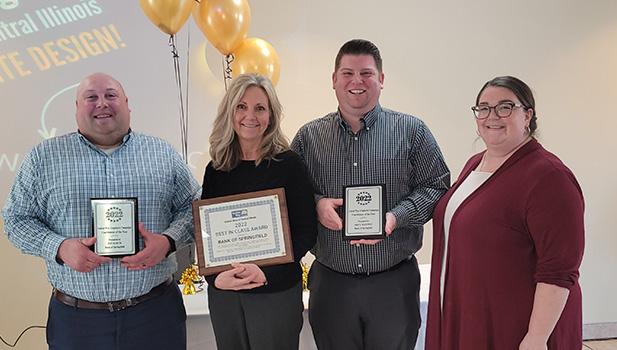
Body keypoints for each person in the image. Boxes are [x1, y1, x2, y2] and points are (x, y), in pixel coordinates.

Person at [2, 72, 200, 350]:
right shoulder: (43, 158)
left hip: (155, 315)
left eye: (110, 95)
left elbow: (194, 208)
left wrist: (168, 242)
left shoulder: (162, 154)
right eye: (91, 97)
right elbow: (15, 220)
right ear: (77, 107)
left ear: (127, 104)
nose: (102, 103)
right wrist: (59, 247)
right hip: (77, 321)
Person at [291, 39, 450, 350]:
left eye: (366, 73)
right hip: (331, 283)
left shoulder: (412, 131)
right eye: (347, 72)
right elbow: (288, 195)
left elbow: (437, 186)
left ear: (381, 79)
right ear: (334, 79)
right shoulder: (308, 138)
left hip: (393, 283)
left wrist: (394, 217)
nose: (357, 81)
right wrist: (316, 204)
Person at [425, 76, 584, 350]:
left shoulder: (549, 176)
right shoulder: (476, 164)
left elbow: (559, 270)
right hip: (471, 315)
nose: (492, 116)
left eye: (505, 107)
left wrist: (535, 339)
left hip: (517, 326)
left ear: (528, 115)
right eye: (483, 108)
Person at [200, 73, 317, 350]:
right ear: (230, 112)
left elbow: (306, 232)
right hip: (227, 295)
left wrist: (266, 273)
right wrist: (215, 279)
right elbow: (207, 237)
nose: (249, 116)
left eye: (259, 108)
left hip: (274, 292)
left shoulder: (289, 164)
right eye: (241, 106)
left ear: (271, 116)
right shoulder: (216, 169)